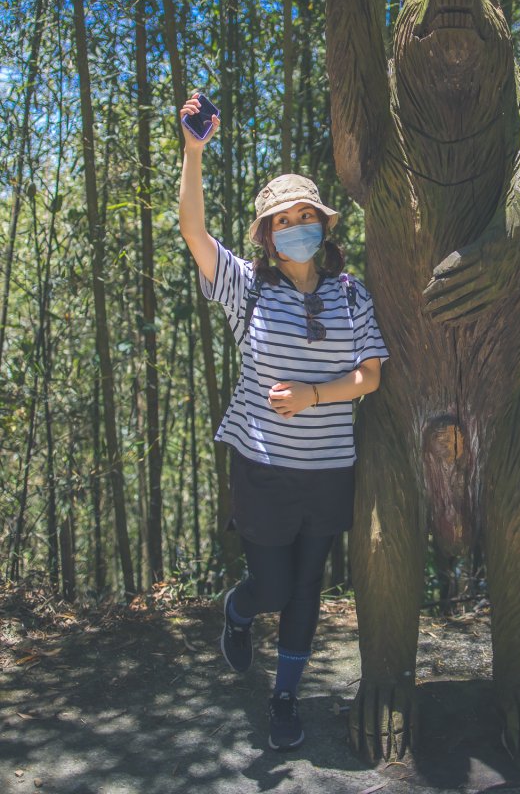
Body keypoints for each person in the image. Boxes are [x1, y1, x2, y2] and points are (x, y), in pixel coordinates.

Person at [178, 93, 388, 751]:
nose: (297, 225)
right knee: (270, 585)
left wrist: (313, 396)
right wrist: (193, 152)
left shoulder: (350, 292)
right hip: (264, 470)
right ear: (267, 234)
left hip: (329, 472)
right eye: (284, 219)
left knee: (307, 589)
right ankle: (237, 613)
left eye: (307, 215)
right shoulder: (248, 288)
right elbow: (192, 233)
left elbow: (370, 375)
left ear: (323, 224)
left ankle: (285, 699)